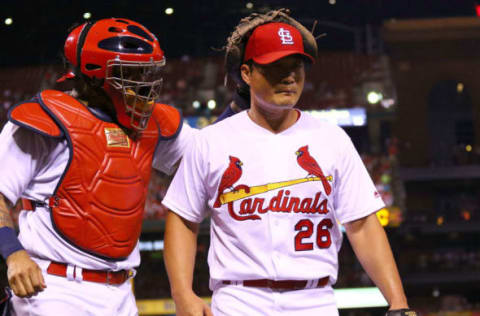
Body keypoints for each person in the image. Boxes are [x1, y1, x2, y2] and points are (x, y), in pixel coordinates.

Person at [162, 9, 417, 316]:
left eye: (296, 66)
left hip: (315, 300)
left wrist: (398, 301)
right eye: (275, 66)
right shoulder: (211, 141)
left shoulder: (331, 139)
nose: (290, 76)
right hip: (240, 301)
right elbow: (183, 219)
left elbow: (362, 224)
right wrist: (181, 292)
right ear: (246, 73)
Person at [0, 18, 196, 315]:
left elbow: (213, 155)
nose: (144, 83)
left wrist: (242, 105)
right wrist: (12, 252)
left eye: (148, 71)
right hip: (53, 288)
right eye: (130, 73)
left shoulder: (153, 123)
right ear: (94, 75)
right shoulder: (42, 121)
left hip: (121, 293)